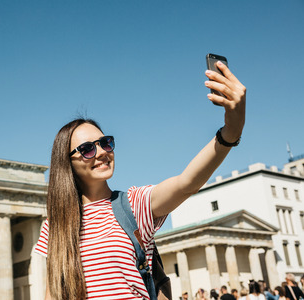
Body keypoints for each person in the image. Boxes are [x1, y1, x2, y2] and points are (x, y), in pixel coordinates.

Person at [35, 62, 246, 299]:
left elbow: (186, 183)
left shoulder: (134, 204)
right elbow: (52, 293)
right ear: (67, 163)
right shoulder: (55, 226)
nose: (102, 152)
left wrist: (230, 132)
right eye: (87, 149)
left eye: (105, 143)